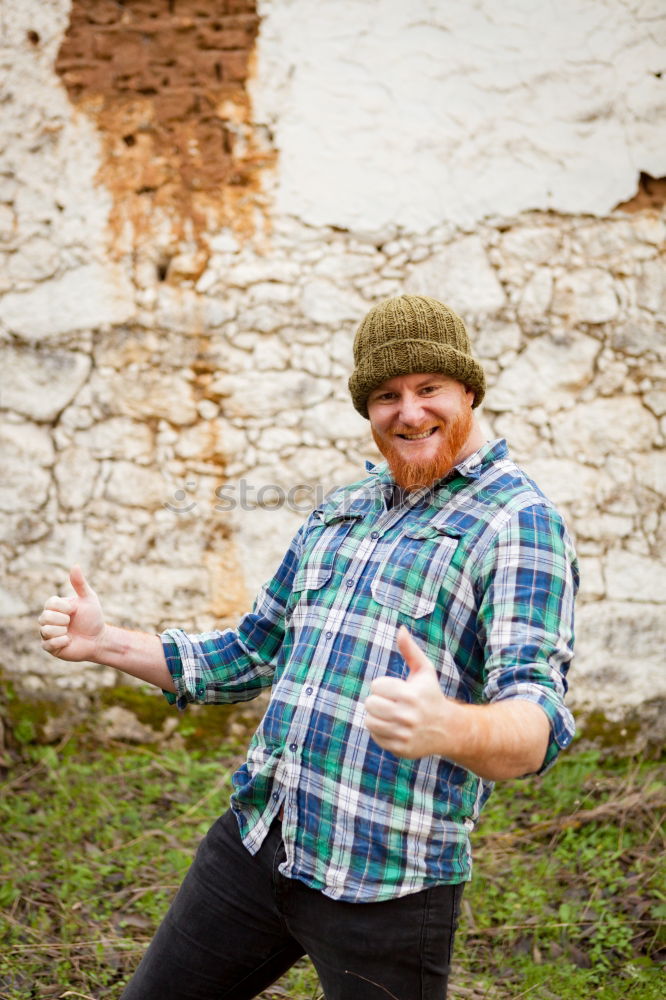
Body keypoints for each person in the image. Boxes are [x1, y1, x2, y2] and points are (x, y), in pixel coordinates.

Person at [39, 295, 578, 1000]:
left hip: (386, 884)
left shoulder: (519, 522)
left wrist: (446, 724)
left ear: (467, 391)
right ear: (367, 409)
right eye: (387, 395)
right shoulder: (343, 508)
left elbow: (536, 721)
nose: (409, 413)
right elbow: (247, 654)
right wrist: (104, 642)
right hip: (258, 840)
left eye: (428, 389)